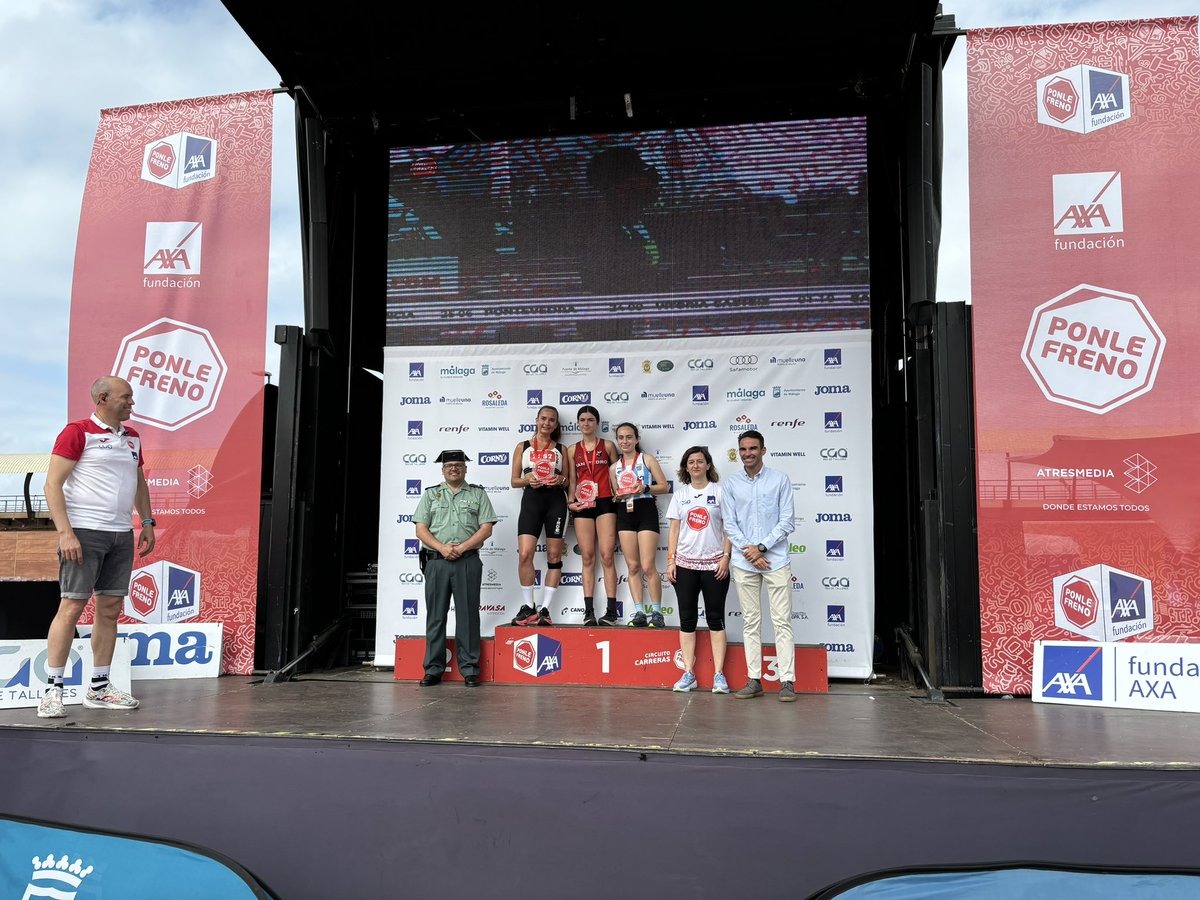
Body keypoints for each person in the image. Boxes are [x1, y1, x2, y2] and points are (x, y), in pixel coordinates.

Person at [38, 376, 155, 718]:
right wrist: (66, 533)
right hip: (84, 532)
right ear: (103, 398)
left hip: (120, 534)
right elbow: (52, 484)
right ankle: (52, 690)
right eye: (126, 397)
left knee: (109, 608)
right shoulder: (77, 431)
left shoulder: (132, 438)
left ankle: (100, 688)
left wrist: (146, 522)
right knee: (72, 607)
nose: (132, 403)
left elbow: (139, 483)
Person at [722, 430, 798, 702]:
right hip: (744, 562)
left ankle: (787, 681)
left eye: (753, 448)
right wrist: (750, 552)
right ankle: (754, 679)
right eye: (743, 449)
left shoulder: (780, 480)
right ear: (738, 452)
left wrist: (761, 547)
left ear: (763, 450)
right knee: (751, 622)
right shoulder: (731, 484)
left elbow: (787, 521)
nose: (748, 453)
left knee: (782, 622)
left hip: (775, 560)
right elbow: (730, 524)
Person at [413, 450, 497, 687]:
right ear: (442, 469)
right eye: (449, 465)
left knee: (468, 616)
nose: (454, 469)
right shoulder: (431, 494)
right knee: (436, 617)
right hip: (437, 562)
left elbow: (486, 528)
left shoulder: (478, 494)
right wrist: (442, 548)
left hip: (467, 560)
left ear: (465, 469)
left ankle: (470, 669)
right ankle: (433, 669)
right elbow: (421, 529)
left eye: (458, 465)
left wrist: (460, 548)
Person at [666, 447, 732, 693]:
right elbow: (673, 531)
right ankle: (688, 674)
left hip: (715, 566)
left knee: (716, 619)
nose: (695, 465)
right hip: (684, 566)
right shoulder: (680, 495)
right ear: (686, 467)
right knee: (687, 620)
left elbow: (728, 529)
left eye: (699, 461)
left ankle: (719, 676)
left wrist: (726, 557)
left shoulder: (720, 492)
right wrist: (671, 561)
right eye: (690, 462)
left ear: (708, 465)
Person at [509, 406, 569, 626]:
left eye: (551, 420)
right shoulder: (523, 446)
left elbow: (568, 481)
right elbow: (514, 480)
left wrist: (560, 480)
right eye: (543, 418)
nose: (547, 423)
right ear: (536, 420)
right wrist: (528, 481)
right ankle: (529, 607)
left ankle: (545, 608)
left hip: (555, 502)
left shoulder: (561, 449)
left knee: (554, 557)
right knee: (525, 554)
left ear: (556, 424)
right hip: (532, 500)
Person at [610, 422, 670, 627]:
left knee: (647, 565)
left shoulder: (647, 459)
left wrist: (644, 487)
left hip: (645, 510)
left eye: (629, 437)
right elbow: (615, 494)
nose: (625, 441)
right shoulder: (614, 468)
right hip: (625, 513)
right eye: (621, 438)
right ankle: (638, 613)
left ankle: (657, 613)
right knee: (633, 566)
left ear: (636, 439)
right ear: (617, 441)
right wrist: (618, 496)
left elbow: (663, 486)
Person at [565, 405, 618, 626]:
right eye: (582, 420)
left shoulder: (607, 445)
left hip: (606, 502)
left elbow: (617, 474)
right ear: (578, 423)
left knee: (606, 556)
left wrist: (619, 496)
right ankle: (588, 612)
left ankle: (612, 612)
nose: (586, 424)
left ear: (597, 423)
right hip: (583, 503)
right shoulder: (571, 450)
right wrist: (571, 502)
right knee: (587, 557)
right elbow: (573, 480)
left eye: (590, 420)